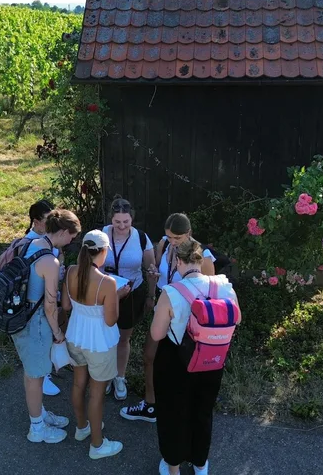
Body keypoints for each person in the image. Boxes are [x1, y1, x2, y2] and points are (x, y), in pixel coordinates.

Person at [150, 240, 238, 475]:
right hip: (212, 359)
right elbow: (236, 320)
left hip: (176, 360)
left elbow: (157, 334)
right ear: (201, 260)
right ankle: (200, 463)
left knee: (173, 412)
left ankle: (173, 466)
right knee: (202, 410)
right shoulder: (223, 286)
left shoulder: (171, 292)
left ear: (178, 261)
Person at [120, 213, 215, 423]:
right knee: (149, 356)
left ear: (189, 234)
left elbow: (211, 292)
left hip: (187, 318)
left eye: (177, 238)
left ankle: (182, 409)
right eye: (169, 237)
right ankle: (151, 405)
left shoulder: (203, 256)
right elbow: (159, 275)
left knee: (183, 365)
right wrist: (151, 289)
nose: (172, 242)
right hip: (163, 309)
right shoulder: (163, 245)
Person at [11, 209, 81, 444]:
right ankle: (37, 428)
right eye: (71, 237)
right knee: (36, 376)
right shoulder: (49, 261)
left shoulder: (30, 243)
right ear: (62, 231)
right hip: (36, 323)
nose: (71, 241)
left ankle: (39, 413)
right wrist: (59, 334)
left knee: (31, 373)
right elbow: (50, 306)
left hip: (18, 316)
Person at [61, 230, 124, 459]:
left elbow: (66, 306)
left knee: (79, 384)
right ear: (104, 251)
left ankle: (82, 427)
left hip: (75, 336)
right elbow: (110, 320)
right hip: (100, 342)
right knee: (96, 394)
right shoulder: (108, 283)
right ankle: (97, 445)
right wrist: (118, 296)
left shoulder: (70, 271)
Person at [100, 198, 158, 401]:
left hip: (132, 295)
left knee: (124, 338)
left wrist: (151, 295)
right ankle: (106, 375)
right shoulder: (101, 235)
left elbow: (152, 270)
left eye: (126, 221)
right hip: (105, 294)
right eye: (118, 222)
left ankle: (120, 376)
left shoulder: (141, 238)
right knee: (106, 337)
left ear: (132, 218)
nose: (122, 226)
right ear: (111, 220)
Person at [21, 199, 64, 397]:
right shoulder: (29, 243)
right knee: (40, 339)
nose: (52, 223)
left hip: (49, 295)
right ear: (36, 222)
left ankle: (43, 370)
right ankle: (42, 375)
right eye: (48, 219)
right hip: (36, 306)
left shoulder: (49, 239)